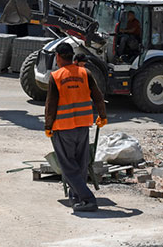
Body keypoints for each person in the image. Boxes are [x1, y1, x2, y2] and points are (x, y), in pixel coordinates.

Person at [45, 42, 107, 212]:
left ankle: (88, 199)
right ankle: (77, 198)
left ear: (58, 57)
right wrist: (103, 116)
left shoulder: (56, 76)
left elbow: (51, 104)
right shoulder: (85, 73)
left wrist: (48, 126)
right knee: (80, 164)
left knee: (68, 166)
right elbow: (98, 96)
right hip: (82, 126)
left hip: (63, 128)